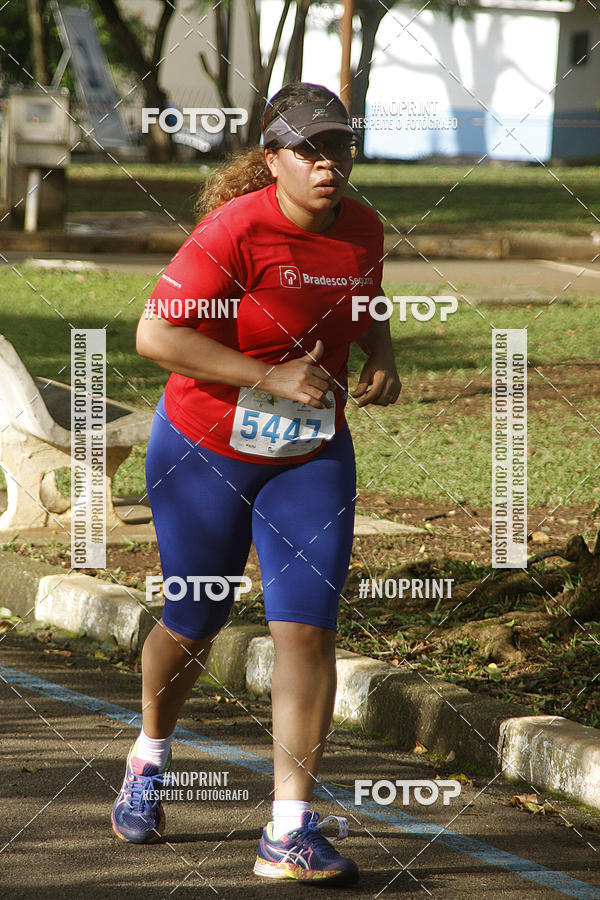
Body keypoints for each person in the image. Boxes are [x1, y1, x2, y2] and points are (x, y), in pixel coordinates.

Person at [111, 81, 401, 886]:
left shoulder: (365, 226)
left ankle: (289, 830)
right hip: (204, 449)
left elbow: (365, 296)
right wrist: (265, 374)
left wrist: (382, 352)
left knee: (305, 630)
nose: (326, 163)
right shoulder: (235, 230)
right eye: (307, 148)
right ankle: (149, 756)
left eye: (338, 145)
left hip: (311, 455)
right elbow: (153, 334)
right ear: (271, 157)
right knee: (195, 620)